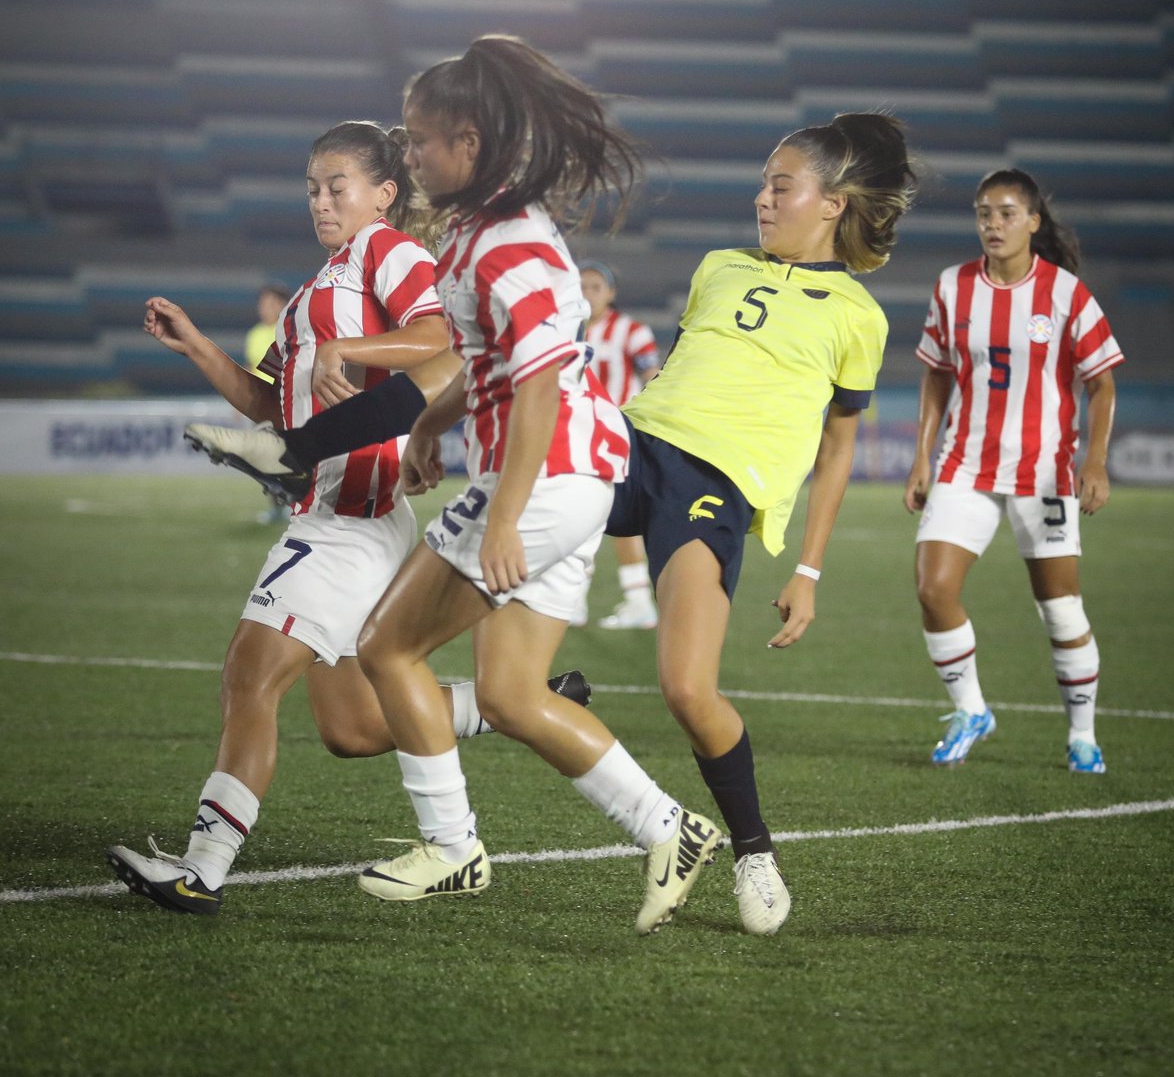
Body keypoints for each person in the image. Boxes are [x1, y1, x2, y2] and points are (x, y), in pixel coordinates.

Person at [187, 107, 919, 937]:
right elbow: (508, 368)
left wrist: (809, 568)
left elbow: (836, 447)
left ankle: (747, 850)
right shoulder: (719, 267)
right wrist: (414, 431)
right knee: (505, 691)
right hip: (627, 449)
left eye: (779, 186)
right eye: (761, 183)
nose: (761, 197)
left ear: (832, 204)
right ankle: (649, 830)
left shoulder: (857, 315)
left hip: (712, 488)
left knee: (683, 688)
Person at [107, 120, 590, 916]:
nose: (322, 201)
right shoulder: (310, 292)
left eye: (338, 185)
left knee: (247, 676)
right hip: (353, 518)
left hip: (345, 517)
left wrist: (352, 350)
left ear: (384, 194)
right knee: (354, 727)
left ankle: (202, 867)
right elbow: (271, 407)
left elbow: (442, 337)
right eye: (312, 187)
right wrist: (198, 348)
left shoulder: (387, 251)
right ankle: (519, 702)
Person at [347, 36, 721, 937]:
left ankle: (452, 846)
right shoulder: (485, 228)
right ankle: (670, 827)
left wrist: (504, 516)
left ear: (468, 144)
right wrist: (432, 431)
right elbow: (489, 367)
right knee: (513, 695)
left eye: (421, 140)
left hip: (549, 475)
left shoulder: (504, 239)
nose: (410, 155)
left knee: (384, 648)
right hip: (579, 475)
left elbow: (541, 385)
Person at [903, 168, 1123, 774]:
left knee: (1060, 611)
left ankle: (1082, 735)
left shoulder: (1065, 294)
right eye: (983, 214)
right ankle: (971, 710)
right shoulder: (953, 287)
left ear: (1032, 221)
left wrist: (1096, 460)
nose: (992, 225)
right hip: (964, 464)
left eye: (1005, 213)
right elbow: (937, 373)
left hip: (1044, 471)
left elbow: (1101, 385)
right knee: (932, 589)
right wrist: (922, 456)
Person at [573, 258, 660, 630]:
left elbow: (654, 379)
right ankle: (573, 599)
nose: (587, 294)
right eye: (581, 286)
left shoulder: (632, 331)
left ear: (611, 293)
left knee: (617, 518)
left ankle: (639, 600)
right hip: (576, 434)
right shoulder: (564, 329)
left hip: (619, 435)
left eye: (595, 287)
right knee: (577, 517)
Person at [245, 283, 293, 524]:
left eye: (271, 303)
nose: (264, 308)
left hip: (285, 403)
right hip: (260, 405)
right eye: (262, 303)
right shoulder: (253, 334)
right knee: (264, 459)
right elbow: (252, 368)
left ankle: (293, 506)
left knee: (288, 457)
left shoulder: (289, 331)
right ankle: (276, 507)